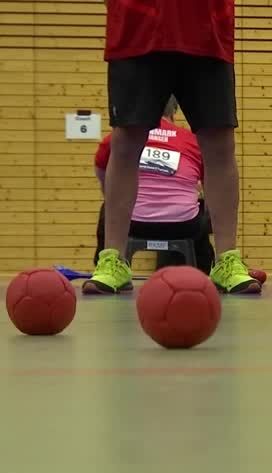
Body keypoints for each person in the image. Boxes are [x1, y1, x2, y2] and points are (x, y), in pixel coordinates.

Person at [87, 0, 259, 295]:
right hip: (137, 25)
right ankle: (112, 258)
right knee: (126, 141)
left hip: (207, 27)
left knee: (219, 143)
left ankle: (227, 259)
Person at [93, 97, 215, 273]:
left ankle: (105, 268)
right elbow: (211, 189)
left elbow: (104, 177)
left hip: (131, 222)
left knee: (109, 207)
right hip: (183, 226)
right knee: (201, 209)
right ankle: (207, 270)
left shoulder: (119, 137)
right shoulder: (192, 140)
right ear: (174, 111)